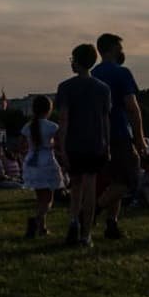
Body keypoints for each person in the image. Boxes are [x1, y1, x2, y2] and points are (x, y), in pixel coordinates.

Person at [91, 33, 149, 241]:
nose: (122, 51)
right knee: (130, 178)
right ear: (112, 49)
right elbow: (132, 108)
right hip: (119, 133)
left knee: (114, 180)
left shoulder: (93, 74)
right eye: (119, 47)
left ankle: (112, 224)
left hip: (98, 136)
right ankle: (92, 210)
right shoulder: (122, 73)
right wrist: (140, 138)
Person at [56, 43, 112, 247]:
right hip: (96, 144)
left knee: (76, 187)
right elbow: (106, 119)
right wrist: (107, 145)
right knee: (90, 188)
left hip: (74, 144)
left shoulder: (65, 87)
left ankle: (73, 221)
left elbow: (64, 120)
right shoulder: (103, 89)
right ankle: (86, 233)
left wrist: (62, 147)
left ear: (77, 62)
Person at [21, 96, 64, 238]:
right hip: (46, 161)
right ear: (49, 109)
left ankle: (42, 227)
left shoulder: (28, 126)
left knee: (40, 197)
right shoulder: (52, 126)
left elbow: (22, 146)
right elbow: (59, 145)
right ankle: (37, 220)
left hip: (31, 161)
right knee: (48, 199)